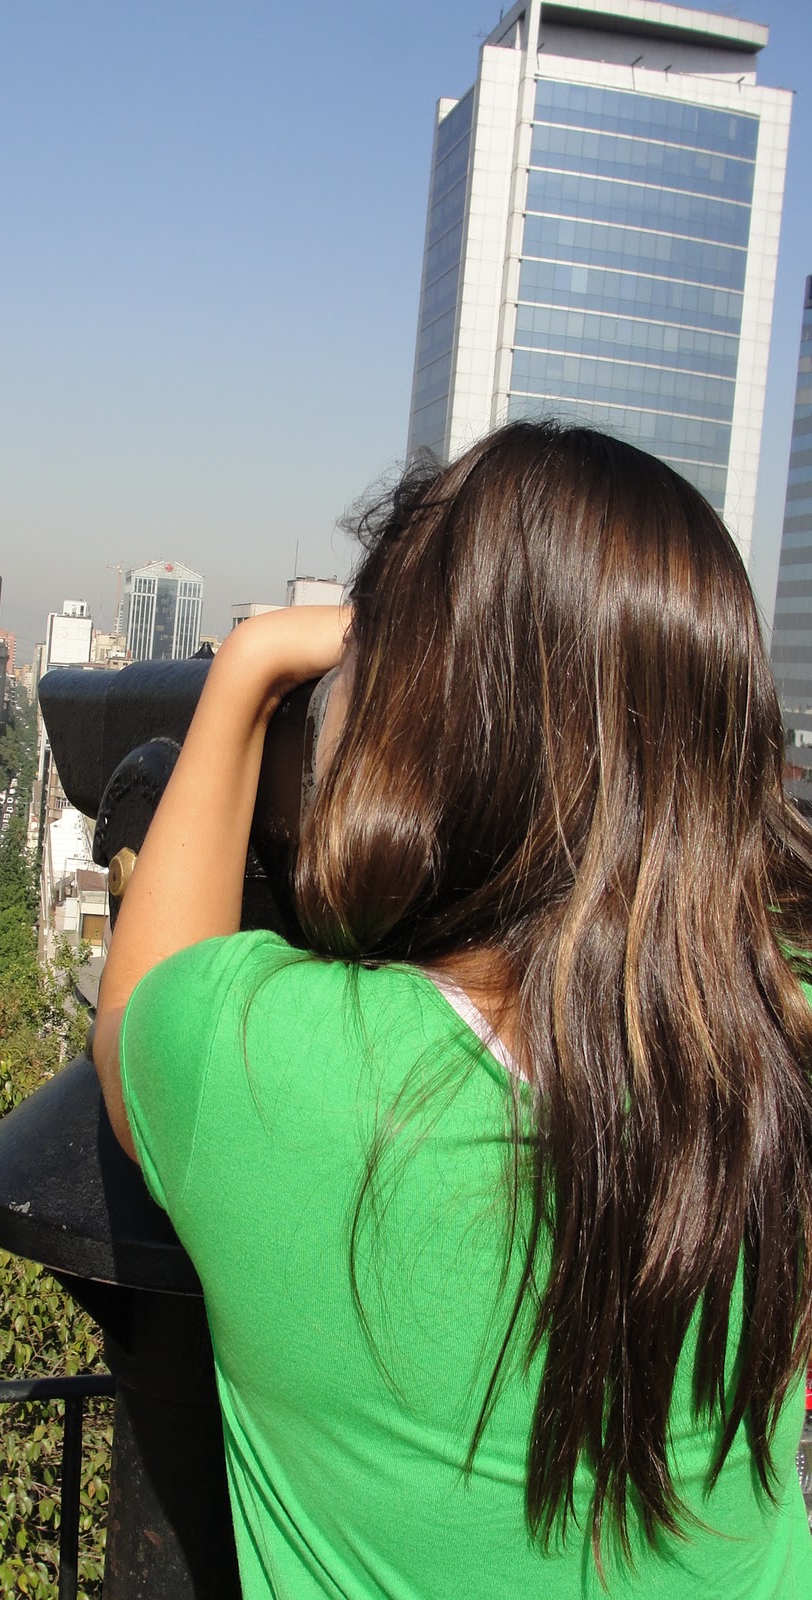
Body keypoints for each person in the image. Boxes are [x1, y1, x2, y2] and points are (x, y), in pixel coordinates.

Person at [90, 421, 812, 1598]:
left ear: (413, 726)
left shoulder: (265, 1063)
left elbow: (137, 1006)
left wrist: (247, 671)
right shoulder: (778, 1055)